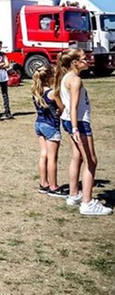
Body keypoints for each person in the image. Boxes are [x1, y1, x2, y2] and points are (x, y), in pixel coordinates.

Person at [56, 49, 112, 215]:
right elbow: (73, 106)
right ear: (75, 63)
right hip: (78, 123)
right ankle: (87, 203)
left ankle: (74, 194)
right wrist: (75, 128)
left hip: (70, 121)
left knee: (77, 157)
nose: (87, 60)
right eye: (84, 58)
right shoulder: (75, 80)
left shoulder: (67, 77)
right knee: (91, 160)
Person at [31, 66, 67, 197]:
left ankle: (43, 183)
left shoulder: (36, 92)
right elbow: (62, 107)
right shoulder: (52, 93)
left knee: (43, 154)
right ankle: (53, 186)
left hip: (39, 123)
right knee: (52, 157)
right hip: (51, 126)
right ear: (50, 78)